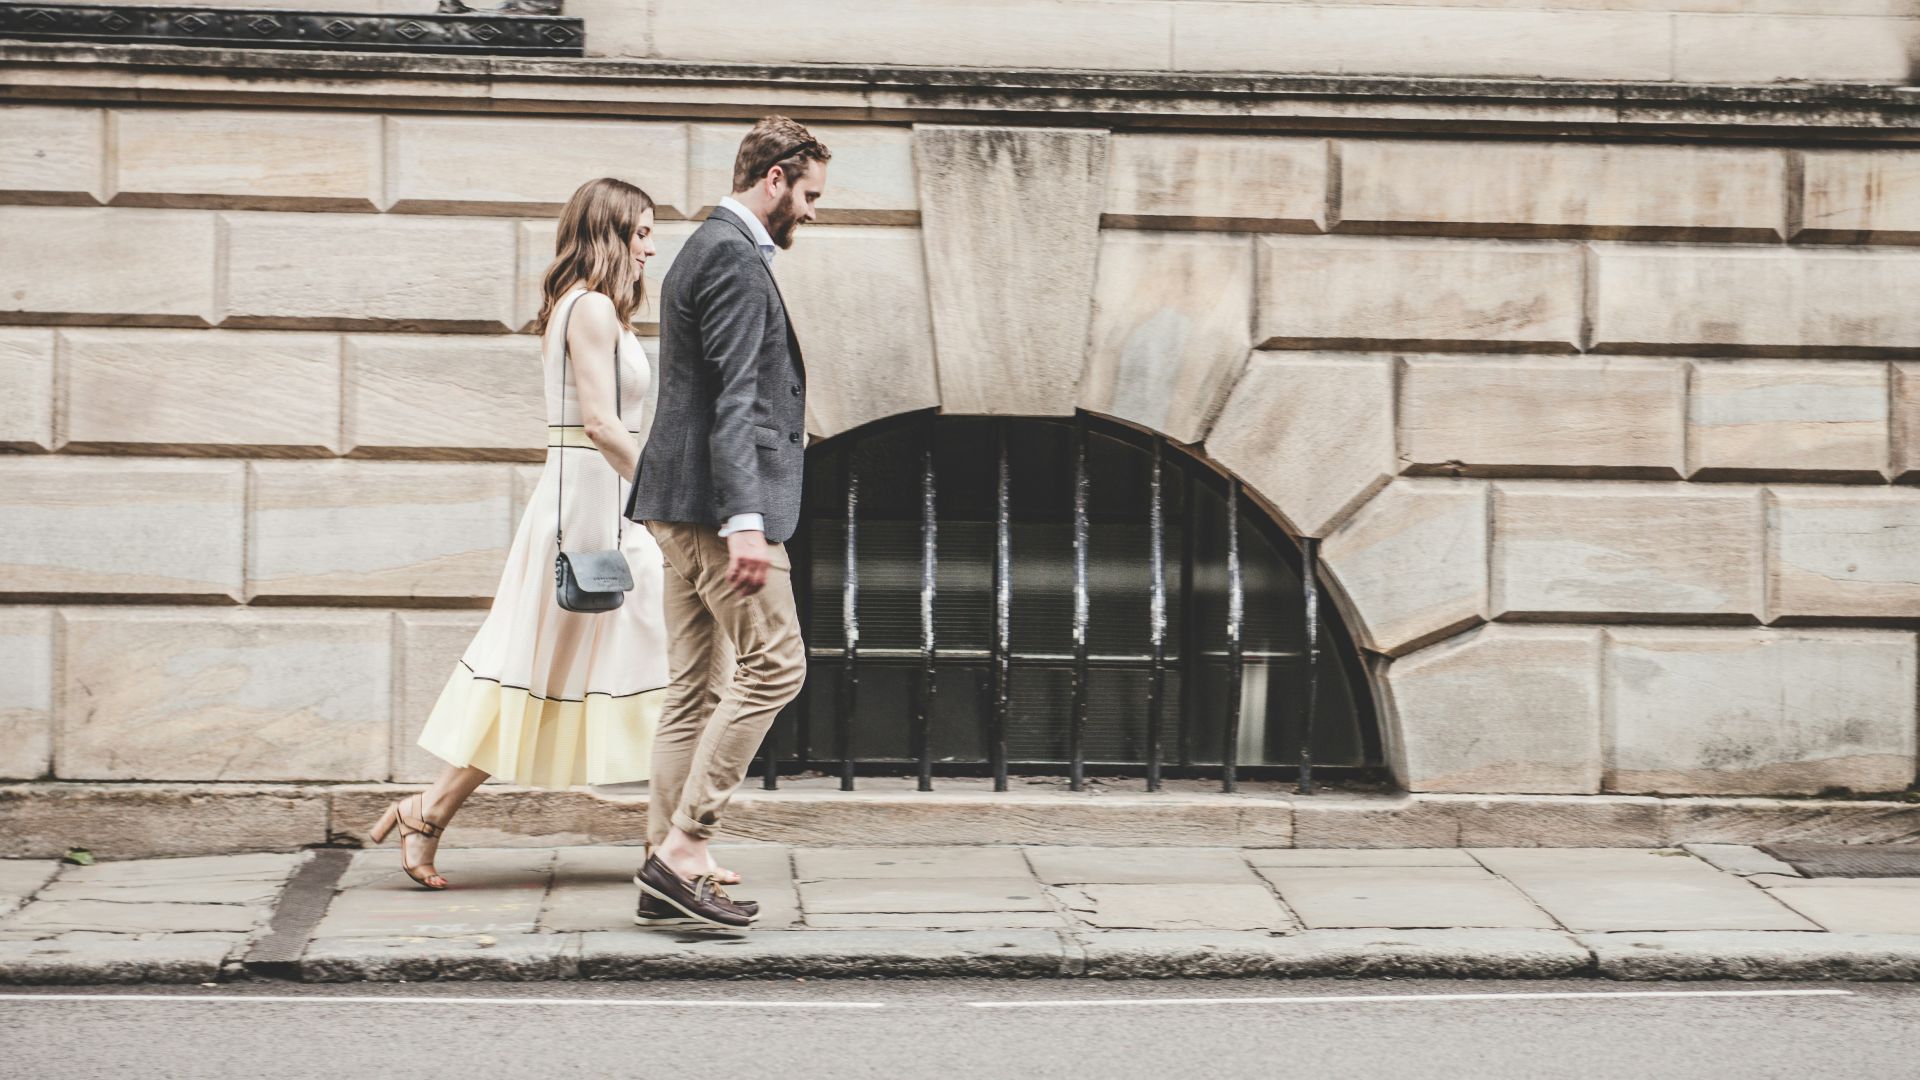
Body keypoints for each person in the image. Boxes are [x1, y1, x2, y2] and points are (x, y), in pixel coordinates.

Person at [370, 178, 668, 891]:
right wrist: (663, 494)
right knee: (546, 673)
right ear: (609, 233)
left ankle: (678, 841)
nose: (652, 247)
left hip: (599, 504)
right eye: (642, 232)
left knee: (590, 670)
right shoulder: (591, 308)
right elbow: (599, 424)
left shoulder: (589, 307)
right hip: (590, 511)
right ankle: (680, 844)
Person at [626, 116, 830, 929]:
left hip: (675, 502)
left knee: (694, 689)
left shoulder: (703, 248)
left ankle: (663, 864)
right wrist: (746, 520)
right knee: (778, 667)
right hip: (717, 509)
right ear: (774, 178)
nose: (812, 212)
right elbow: (736, 400)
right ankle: (684, 847)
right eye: (809, 195)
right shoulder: (736, 261)